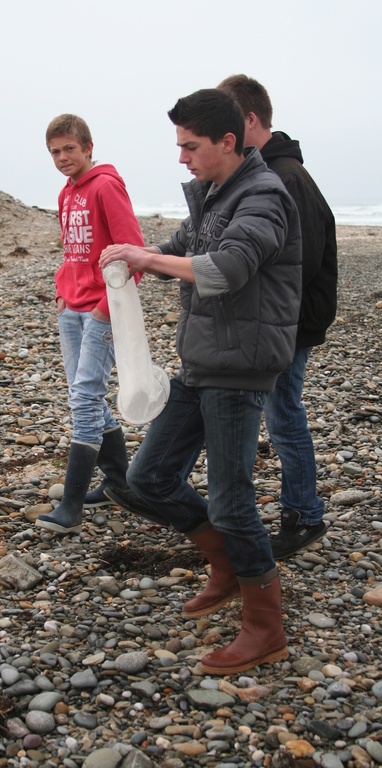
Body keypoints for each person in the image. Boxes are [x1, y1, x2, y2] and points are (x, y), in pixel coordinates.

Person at [99, 88, 302, 675]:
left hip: (240, 369)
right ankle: (227, 566)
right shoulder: (217, 193)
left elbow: (227, 269)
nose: (182, 157)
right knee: (149, 477)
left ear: (228, 141)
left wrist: (147, 260)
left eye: (191, 146)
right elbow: (179, 248)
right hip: (202, 362)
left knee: (233, 503)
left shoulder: (263, 196)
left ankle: (266, 628)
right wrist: (133, 257)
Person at [218, 75, 337, 559]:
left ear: (249, 120)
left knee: (284, 414)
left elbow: (298, 264)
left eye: (227, 123)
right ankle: (297, 509)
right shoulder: (270, 172)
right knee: (280, 412)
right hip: (281, 319)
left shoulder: (285, 177)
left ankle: (305, 514)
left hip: (290, 321)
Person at [36, 114, 144, 535]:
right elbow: (73, 251)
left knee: (84, 398)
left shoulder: (105, 186)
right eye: (55, 152)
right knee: (84, 395)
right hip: (71, 309)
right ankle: (120, 483)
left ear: (88, 147)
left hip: (103, 310)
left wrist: (104, 307)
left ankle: (71, 505)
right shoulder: (66, 192)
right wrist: (62, 292)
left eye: (69, 149)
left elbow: (134, 255)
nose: (62, 157)